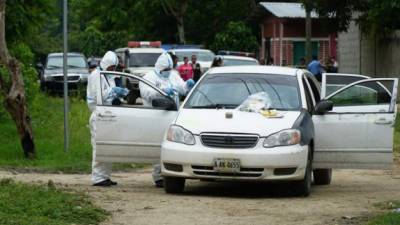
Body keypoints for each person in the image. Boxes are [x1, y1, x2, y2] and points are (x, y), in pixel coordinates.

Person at [139, 53, 195, 187]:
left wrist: (187, 85)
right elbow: (147, 94)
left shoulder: (173, 75)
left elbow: (181, 88)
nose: (167, 73)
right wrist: (162, 91)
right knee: (159, 146)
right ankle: (158, 177)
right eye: (165, 70)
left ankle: (170, 173)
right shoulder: (148, 77)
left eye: (169, 70)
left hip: (172, 115)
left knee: (170, 146)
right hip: (155, 116)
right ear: (159, 68)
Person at [87, 51, 129, 187]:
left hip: (108, 114)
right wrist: (113, 92)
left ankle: (104, 176)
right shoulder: (95, 76)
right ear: (106, 64)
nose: (113, 70)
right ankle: (97, 177)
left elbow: (110, 93)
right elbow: (97, 95)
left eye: (114, 68)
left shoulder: (107, 76)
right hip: (98, 114)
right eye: (111, 67)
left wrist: (118, 94)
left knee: (107, 146)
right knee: (99, 146)